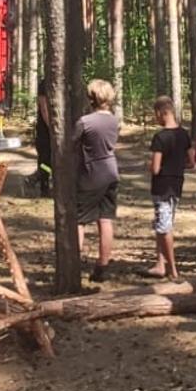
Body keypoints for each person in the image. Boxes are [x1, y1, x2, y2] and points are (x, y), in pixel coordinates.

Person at [75, 79, 123, 283]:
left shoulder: (85, 122)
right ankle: (103, 265)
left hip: (90, 173)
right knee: (105, 219)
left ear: (91, 98)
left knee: (78, 220)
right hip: (111, 171)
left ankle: (73, 263)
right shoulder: (114, 120)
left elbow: (69, 144)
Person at [144, 97, 194, 279]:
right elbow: (192, 162)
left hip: (161, 187)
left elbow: (155, 168)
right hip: (176, 185)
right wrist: (177, 166)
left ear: (161, 113)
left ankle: (172, 269)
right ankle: (160, 263)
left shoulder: (160, 137)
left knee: (165, 228)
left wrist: (149, 166)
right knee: (163, 223)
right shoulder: (184, 134)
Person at [32, 77, 55, 197]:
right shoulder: (45, 84)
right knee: (45, 160)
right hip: (45, 131)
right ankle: (43, 186)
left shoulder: (66, 80)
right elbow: (44, 108)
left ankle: (36, 178)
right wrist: (51, 128)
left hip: (57, 130)